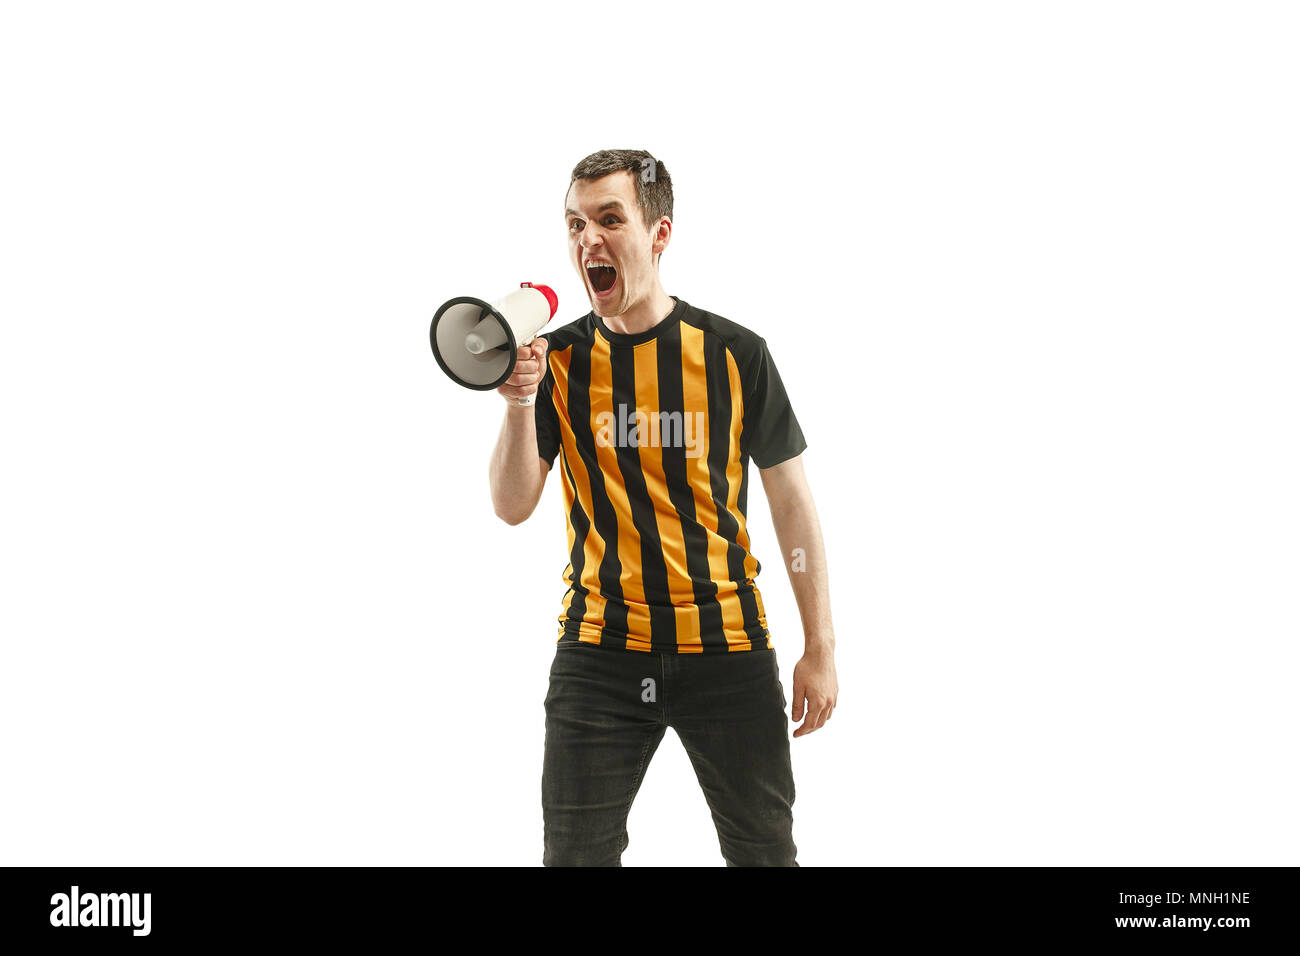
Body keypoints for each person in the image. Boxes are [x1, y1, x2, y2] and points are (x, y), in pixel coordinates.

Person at [487, 148, 838, 866]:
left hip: (727, 647)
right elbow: (511, 505)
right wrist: (520, 403)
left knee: (764, 854)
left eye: (610, 219)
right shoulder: (557, 363)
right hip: (600, 652)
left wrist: (821, 647)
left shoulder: (736, 355)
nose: (589, 239)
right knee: (575, 857)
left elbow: (794, 507)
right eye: (575, 223)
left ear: (659, 233)